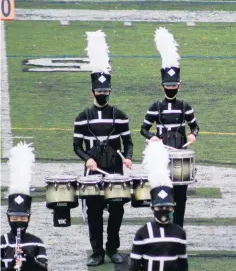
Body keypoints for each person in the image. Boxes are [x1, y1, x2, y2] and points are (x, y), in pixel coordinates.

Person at [73, 30, 133, 266]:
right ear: (92, 92)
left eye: (105, 92)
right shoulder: (82, 117)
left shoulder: (119, 115)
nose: (102, 95)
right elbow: (77, 146)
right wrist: (87, 159)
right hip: (93, 171)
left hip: (115, 169)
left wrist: (128, 158)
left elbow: (128, 142)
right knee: (95, 214)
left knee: (117, 211)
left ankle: (112, 248)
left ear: (110, 91)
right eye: (99, 92)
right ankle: (97, 252)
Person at [140, 27, 199, 227]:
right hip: (161, 155)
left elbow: (195, 127)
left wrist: (193, 136)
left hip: (180, 154)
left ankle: (178, 228)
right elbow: (143, 129)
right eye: (168, 85)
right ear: (162, 85)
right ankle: (161, 224)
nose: (171, 88)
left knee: (181, 196)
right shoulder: (155, 107)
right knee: (162, 192)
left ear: (179, 86)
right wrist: (152, 137)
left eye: (174, 86)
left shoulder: (185, 106)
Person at [129, 142, 188, 271]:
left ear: (173, 208)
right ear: (152, 208)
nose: (164, 211)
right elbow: (134, 267)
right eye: (159, 207)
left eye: (167, 207)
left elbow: (183, 267)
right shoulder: (143, 233)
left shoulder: (180, 233)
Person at [1, 142, 48, 271]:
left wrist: (29, 261)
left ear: (29, 218)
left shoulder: (37, 242)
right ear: (8, 218)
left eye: (22, 218)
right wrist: (10, 267)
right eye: (15, 218)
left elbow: (44, 269)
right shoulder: (1, 242)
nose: (18, 221)